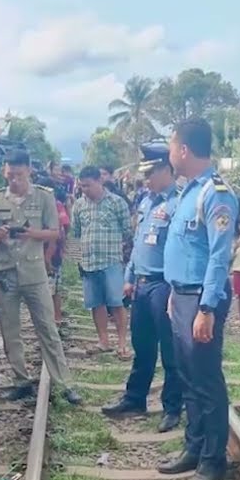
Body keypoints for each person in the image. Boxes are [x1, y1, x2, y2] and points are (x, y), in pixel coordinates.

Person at [158, 118, 238, 480]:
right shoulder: (188, 191)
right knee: (188, 377)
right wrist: (175, 291)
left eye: (172, 146)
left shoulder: (215, 193)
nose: (170, 153)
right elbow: (187, 251)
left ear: (184, 150)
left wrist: (206, 308)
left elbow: (220, 256)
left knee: (206, 381)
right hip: (183, 295)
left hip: (202, 300)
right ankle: (194, 446)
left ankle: (213, 460)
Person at [0, 150, 83, 405]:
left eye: (18, 174)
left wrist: (32, 233)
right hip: (5, 272)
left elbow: (54, 233)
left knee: (47, 328)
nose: (13, 180)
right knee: (10, 330)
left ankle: (64, 383)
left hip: (34, 271)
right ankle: (21, 380)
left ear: (28, 171)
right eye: (9, 175)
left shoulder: (44, 197)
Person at [101, 141, 183, 433]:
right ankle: (135, 398)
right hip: (142, 284)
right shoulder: (147, 202)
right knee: (143, 346)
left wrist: (174, 289)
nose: (146, 179)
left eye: (151, 173)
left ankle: (172, 406)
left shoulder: (178, 204)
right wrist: (129, 276)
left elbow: (177, 251)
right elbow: (138, 245)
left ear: (165, 169)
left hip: (163, 285)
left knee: (170, 351)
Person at [74, 166, 135, 356]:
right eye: (82, 186)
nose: (85, 189)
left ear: (99, 181)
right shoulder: (79, 205)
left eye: (88, 185)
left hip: (111, 261)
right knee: (96, 303)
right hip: (89, 262)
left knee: (117, 303)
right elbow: (77, 231)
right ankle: (103, 341)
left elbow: (127, 232)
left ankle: (122, 343)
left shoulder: (117, 203)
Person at [49, 184, 71, 324]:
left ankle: (54, 317)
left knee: (52, 287)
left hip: (51, 253)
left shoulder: (56, 205)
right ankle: (55, 317)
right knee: (54, 287)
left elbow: (64, 228)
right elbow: (66, 226)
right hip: (50, 252)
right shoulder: (57, 205)